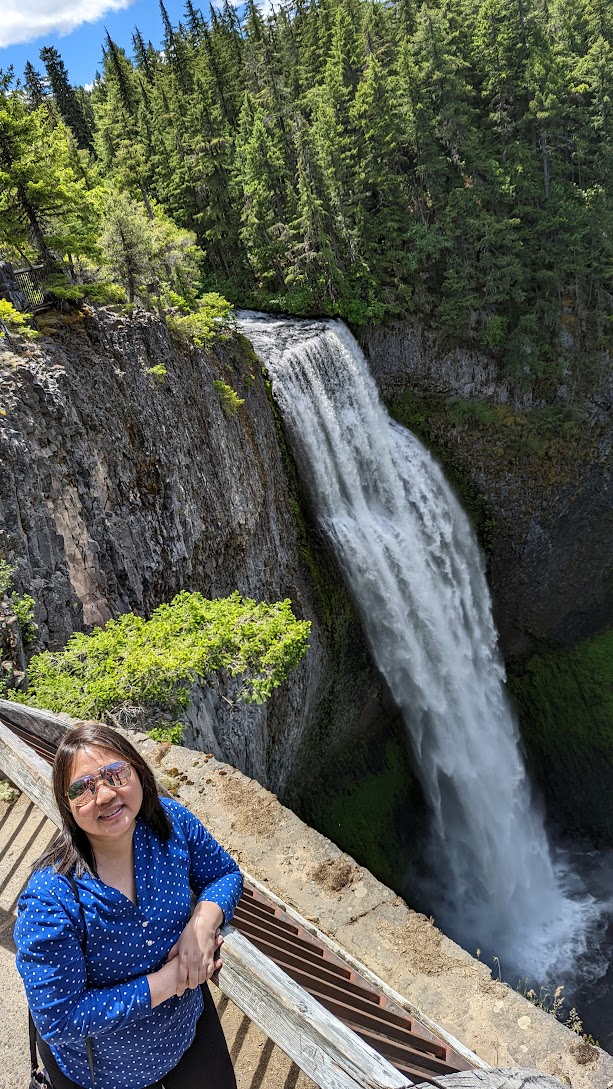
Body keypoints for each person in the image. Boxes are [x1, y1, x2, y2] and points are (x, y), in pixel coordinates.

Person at [15, 721, 243, 1089]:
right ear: (68, 806)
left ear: (137, 771)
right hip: (105, 1072)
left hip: (186, 1031)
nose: (104, 795)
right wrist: (170, 981)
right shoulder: (51, 900)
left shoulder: (170, 823)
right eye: (83, 788)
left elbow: (223, 874)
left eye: (114, 774)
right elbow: (60, 1019)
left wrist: (202, 922)